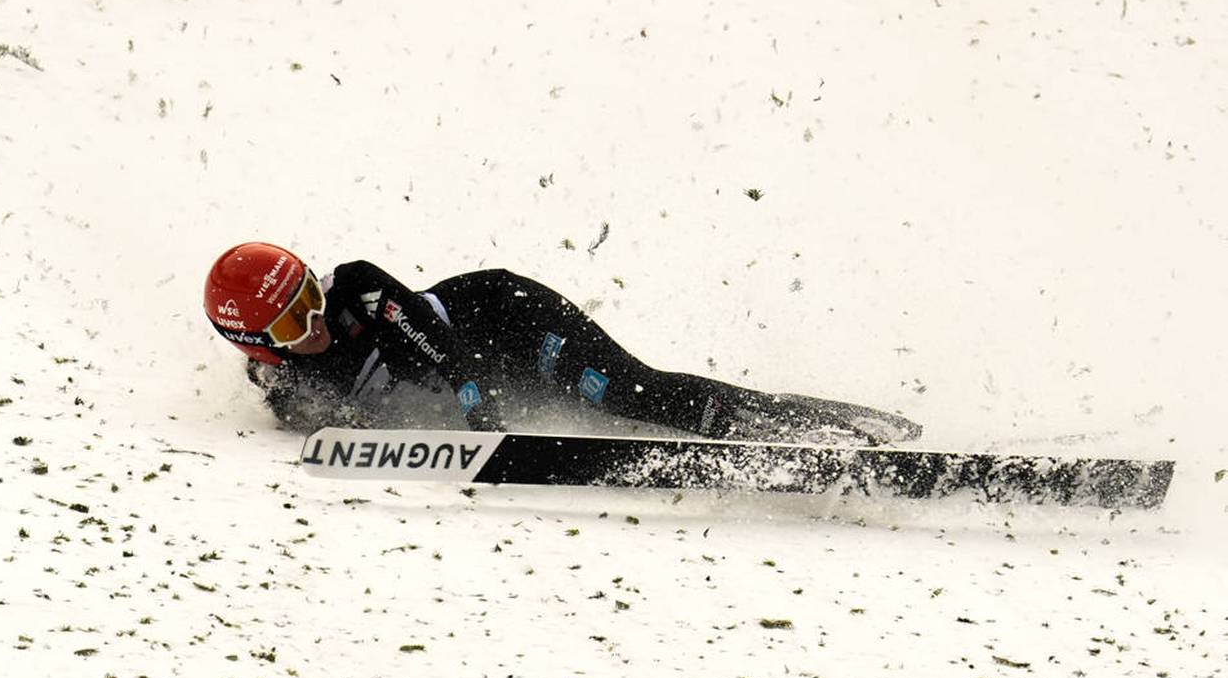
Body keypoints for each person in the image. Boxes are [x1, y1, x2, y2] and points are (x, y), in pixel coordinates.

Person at [203, 242, 920, 445]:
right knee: (626, 408)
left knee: (636, 395)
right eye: (296, 323)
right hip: (504, 376)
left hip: (511, 320)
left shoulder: (357, 288)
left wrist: (474, 402)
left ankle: (839, 429)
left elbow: (434, 343)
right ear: (260, 349)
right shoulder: (286, 388)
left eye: (310, 297)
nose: (318, 321)